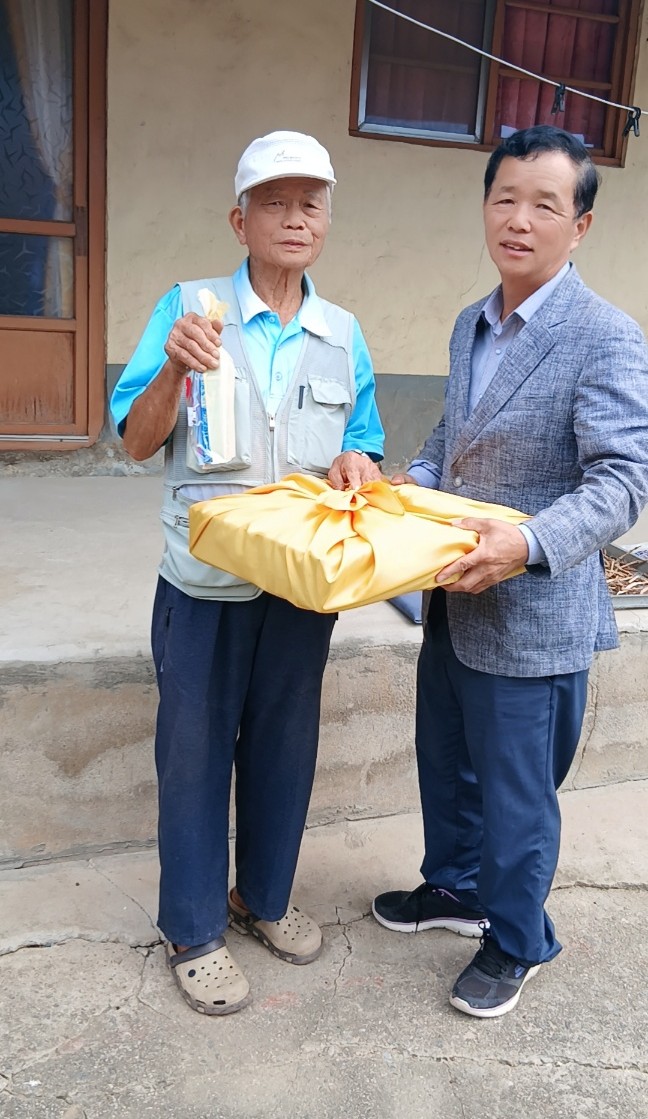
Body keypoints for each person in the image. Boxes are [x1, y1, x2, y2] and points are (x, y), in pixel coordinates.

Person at [372, 125, 648, 1018]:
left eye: (544, 205)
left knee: (518, 796)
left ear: (581, 225)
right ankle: (454, 887)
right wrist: (402, 484)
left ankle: (519, 938)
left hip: (533, 611)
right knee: (447, 764)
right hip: (453, 600)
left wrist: (524, 546)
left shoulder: (604, 335)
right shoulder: (471, 322)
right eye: (505, 199)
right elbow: (450, 440)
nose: (519, 220)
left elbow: (622, 480)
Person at [111, 130, 384, 1016]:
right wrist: (173, 370)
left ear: (327, 221)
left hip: (301, 586)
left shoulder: (343, 334)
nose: (295, 218)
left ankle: (260, 897)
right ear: (240, 220)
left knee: (284, 748)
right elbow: (135, 441)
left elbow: (364, 444)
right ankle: (192, 930)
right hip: (204, 583)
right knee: (193, 756)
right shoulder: (188, 308)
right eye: (275, 202)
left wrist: (357, 463)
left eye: (311, 203)